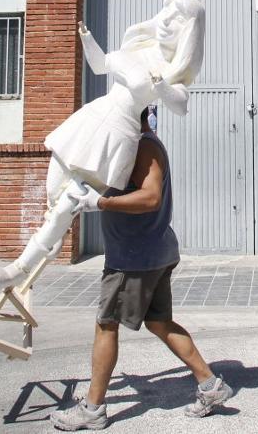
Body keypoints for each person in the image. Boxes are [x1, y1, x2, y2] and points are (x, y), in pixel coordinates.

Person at [0, 0, 204, 290]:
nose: (165, 20)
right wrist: (87, 39)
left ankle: (19, 268)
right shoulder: (138, 48)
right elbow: (100, 66)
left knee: (68, 203)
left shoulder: (173, 71)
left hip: (118, 135)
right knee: (53, 192)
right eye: (165, 11)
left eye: (176, 18)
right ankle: (52, 237)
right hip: (91, 118)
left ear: (187, 31)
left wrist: (161, 87)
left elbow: (181, 106)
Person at [51, 106, 233, 431]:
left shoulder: (144, 146)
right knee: (160, 323)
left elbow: (150, 197)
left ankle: (92, 409)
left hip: (134, 259)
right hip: (151, 252)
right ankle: (211, 385)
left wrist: (101, 203)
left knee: (106, 325)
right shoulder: (137, 144)